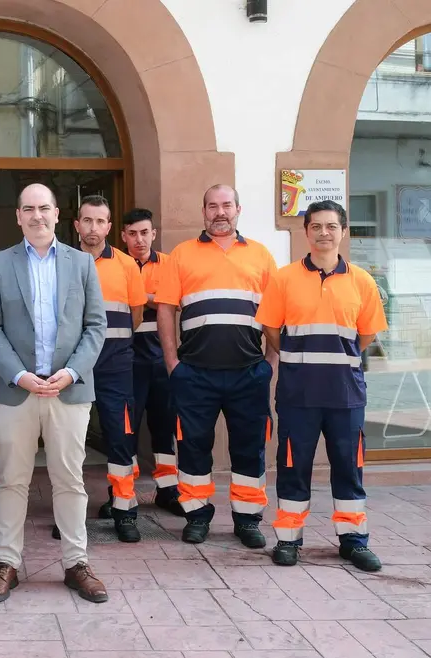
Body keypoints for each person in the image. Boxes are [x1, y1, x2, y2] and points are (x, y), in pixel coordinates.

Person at [0, 183, 109, 605]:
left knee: (70, 479)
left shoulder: (82, 264)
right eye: (29, 209)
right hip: (16, 390)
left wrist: (70, 373)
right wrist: (18, 375)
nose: (37, 216)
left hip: (67, 391)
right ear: (17, 216)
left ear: (57, 214)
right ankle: (7, 563)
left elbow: (95, 327)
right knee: (12, 479)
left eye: (44, 208)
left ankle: (76, 563)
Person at [255, 200, 388, 571]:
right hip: (298, 394)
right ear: (306, 232)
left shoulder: (362, 280)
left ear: (343, 231)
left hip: (345, 394)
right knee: (293, 466)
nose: (324, 233)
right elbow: (270, 328)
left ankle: (354, 541)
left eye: (332, 226)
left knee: (349, 466)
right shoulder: (284, 278)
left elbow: (366, 335)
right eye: (317, 226)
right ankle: (288, 539)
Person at [156, 184, 278, 547]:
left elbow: (276, 315)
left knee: (249, 446)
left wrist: (271, 363)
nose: (219, 212)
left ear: (238, 208)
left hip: (249, 373)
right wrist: (172, 362)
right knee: (193, 445)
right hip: (194, 373)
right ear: (203, 211)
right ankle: (196, 515)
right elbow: (165, 308)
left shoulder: (260, 255)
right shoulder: (182, 254)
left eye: (226, 205)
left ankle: (247, 519)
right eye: (212, 206)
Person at [74, 196, 147, 543]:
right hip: (72, 368)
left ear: (108, 226)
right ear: (76, 225)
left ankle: (124, 508)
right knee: (70, 442)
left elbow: (135, 317)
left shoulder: (126, 265)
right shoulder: (62, 262)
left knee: (120, 437)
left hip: (116, 365)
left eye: (99, 221)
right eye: (86, 221)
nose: (92, 228)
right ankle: (70, 515)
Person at [123, 208, 182, 516]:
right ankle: (123, 491)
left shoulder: (171, 264)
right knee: (126, 428)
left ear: (154, 234)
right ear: (123, 236)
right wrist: (154, 298)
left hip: (162, 357)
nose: (139, 239)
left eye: (144, 232)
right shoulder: (116, 264)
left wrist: (139, 297)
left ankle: (168, 489)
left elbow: (177, 301)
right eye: (132, 233)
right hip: (127, 360)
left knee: (165, 426)